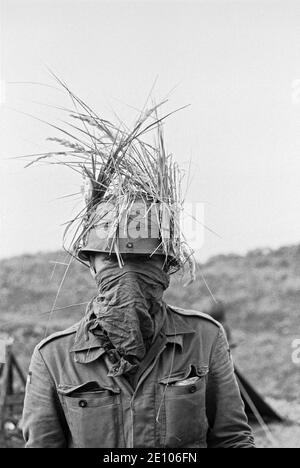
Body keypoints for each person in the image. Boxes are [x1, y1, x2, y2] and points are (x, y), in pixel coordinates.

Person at [22, 97, 255, 448]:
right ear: (91, 266)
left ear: (166, 267)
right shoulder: (53, 357)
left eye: (143, 262)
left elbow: (233, 440)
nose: (128, 275)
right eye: (113, 261)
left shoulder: (204, 340)